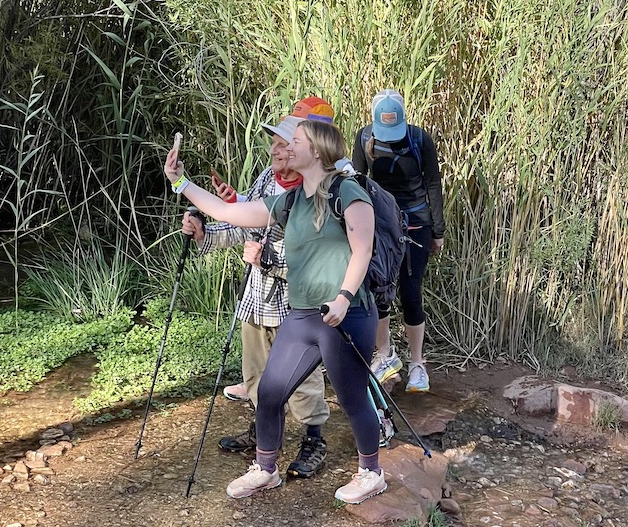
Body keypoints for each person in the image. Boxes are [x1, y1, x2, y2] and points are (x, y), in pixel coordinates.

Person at [165, 119, 387, 504]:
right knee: (269, 392)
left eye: (295, 141)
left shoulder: (348, 192)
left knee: (352, 398)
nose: (286, 146)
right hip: (302, 316)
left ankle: (371, 473)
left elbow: (362, 250)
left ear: (316, 150)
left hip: (345, 315)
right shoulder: (291, 200)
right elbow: (227, 212)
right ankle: (265, 469)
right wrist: (181, 182)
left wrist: (344, 297)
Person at [180, 97, 336, 480]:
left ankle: (313, 440)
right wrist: (204, 234)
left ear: (311, 146)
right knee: (256, 373)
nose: (277, 150)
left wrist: (270, 261)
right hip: (257, 298)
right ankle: (262, 431)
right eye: (277, 142)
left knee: (302, 380)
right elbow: (242, 225)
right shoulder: (268, 180)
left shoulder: (320, 190)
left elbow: (319, 261)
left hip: (297, 307)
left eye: (287, 142)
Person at [352, 90, 444, 394]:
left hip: (417, 224)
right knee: (379, 290)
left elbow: (432, 183)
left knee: (410, 291)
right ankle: (385, 355)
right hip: (380, 226)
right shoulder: (364, 138)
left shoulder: (420, 140)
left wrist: (438, 231)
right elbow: (356, 183)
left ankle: (418, 364)